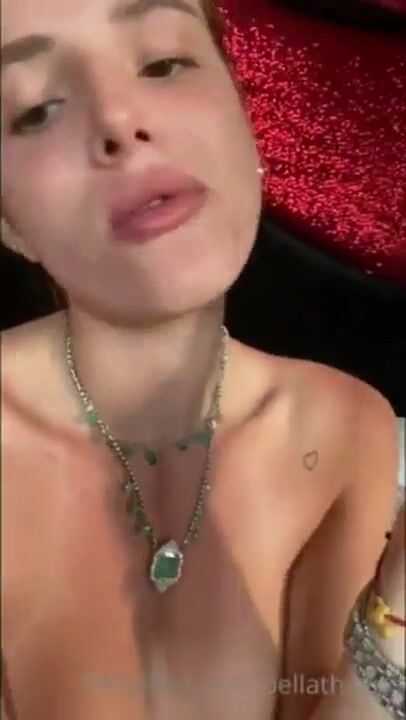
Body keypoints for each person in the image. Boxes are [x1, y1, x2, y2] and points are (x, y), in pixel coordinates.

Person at [1, 0, 404, 718]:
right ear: (9, 223)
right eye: (36, 110)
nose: (118, 119)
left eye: (163, 63)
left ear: (246, 122)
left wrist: (399, 604)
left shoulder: (341, 426)